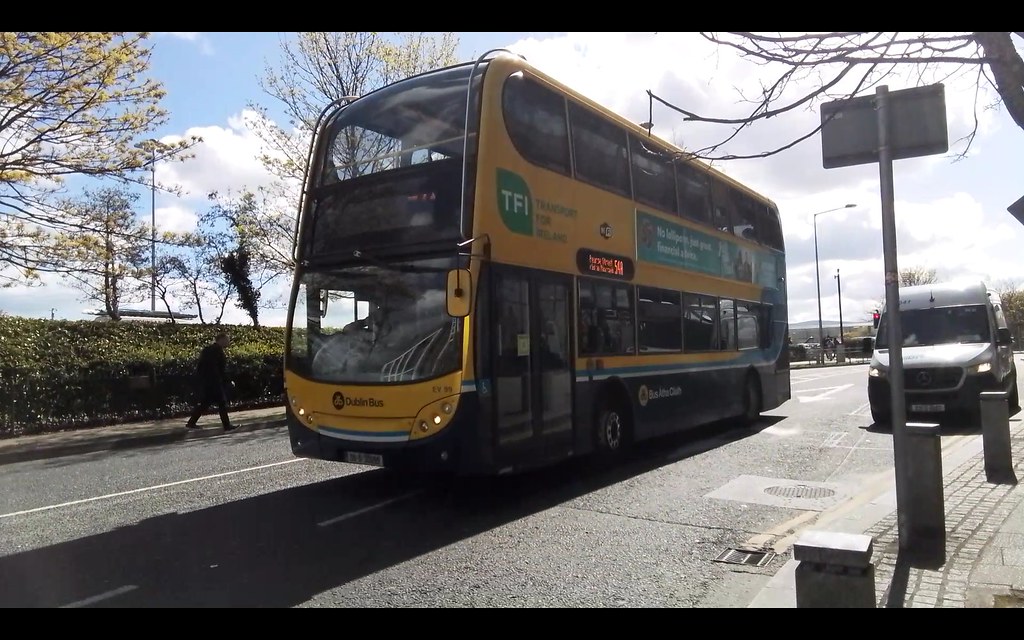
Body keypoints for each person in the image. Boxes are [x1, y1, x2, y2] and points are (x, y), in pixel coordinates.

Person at [185, 332, 236, 432]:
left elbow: (200, 367)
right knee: (222, 403)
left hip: (208, 381)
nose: (228, 342)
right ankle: (227, 426)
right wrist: (227, 380)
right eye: (226, 340)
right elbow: (218, 369)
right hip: (214, 382)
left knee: (205, 403)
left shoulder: (207, 350)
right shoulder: (217, 351)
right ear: (220, 340)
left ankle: (191, 422)